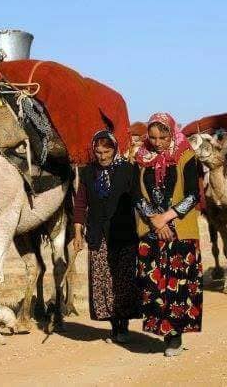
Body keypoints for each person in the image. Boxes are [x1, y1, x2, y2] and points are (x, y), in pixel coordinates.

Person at [133, 112, 203, 357]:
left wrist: (167, 217)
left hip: (180, 228)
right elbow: (136, 194)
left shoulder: (186, 156)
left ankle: (175, 337)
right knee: (154, 284)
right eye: (152, 137)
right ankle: (160, 329)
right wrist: (155, 220)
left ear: (171, 133)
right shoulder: (140, 157)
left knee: (178, 285)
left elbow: (194, 194)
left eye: (163, 137)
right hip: (152, 229)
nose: (158, 142)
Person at [73, 130, 141, 343]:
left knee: (123, 278)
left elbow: (138, 201)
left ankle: (123, 323)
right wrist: (77, 232)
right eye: (98, 151)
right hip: (97, 234)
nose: (102, 155)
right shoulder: (87, 172)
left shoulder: (128, 170)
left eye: (106, 151)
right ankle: (114, 324)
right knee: (104, 280)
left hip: (123, 233)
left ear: (114, 149)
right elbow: (81, 204)